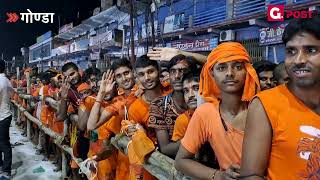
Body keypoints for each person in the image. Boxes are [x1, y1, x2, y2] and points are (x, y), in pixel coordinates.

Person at [240, 16, 320, 180]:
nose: (299, 60)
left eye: (311, 50)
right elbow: (251, 176)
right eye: (291, 51)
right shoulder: (265, 105)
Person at [175, 42, 260, 180]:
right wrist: (218, 175)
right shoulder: (205, 113)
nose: (230, 73)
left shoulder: (262, 108)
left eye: (238, 67)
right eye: (221, 68)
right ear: (212, 75)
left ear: (248, 71)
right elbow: (181, 161)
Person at [148, 55, 196, 158]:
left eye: (183, 70)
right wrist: (197, 137)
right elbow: (165, 149)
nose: (177, 76)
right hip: (173, 167)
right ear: (169, 75)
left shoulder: (203, 103)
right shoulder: (159, 105)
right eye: (173, 71)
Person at [0, 60, 13, 179]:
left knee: (3, 143)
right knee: (3, 142)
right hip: (5, 114)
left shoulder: (1, 81)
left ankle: (6, 170)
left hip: (2, 116)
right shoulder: (7, 80)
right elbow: (11, 95)